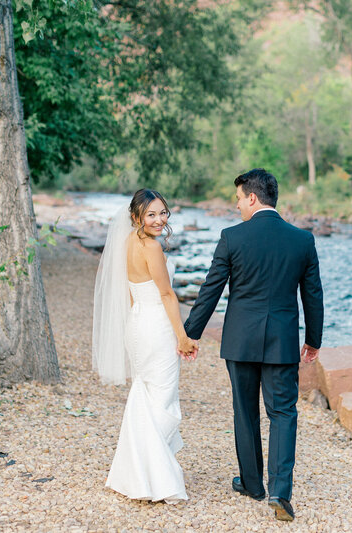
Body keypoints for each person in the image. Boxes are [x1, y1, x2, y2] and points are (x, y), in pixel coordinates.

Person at [183, 168, 324, 521]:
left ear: (252, 197)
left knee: (244, 411)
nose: (236, 207)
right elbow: (313, 296)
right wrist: (313, 340)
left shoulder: (232, 237)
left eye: (237, 199)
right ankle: (279, 492)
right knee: (283, 413)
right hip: (281, 341)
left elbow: (210, 290)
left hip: (241, 340)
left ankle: (251, 484)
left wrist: (191, 332)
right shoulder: (302, 240)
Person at [92, 189, 198, 503]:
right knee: (162, 400)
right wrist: (182, 336)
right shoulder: (151, 248)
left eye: (163, 212)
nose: (159, 219)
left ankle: (135, 472)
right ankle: (156, 479)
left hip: (137, 324)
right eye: (151, 214)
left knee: (146, 395)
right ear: (137, 217)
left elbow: (127, 291)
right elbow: (167, 295)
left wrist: (133, 322)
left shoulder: (125, 244)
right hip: (156, 326)